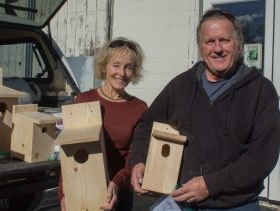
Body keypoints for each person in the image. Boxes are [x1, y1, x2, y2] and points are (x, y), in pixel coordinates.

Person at [130, 9, 280, 210]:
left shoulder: (260, 90)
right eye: (209, 41)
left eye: (224, 40)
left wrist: (211, 184)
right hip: (182, 202)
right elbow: (147, 123)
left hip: (235, 205)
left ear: (238, 44)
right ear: (200, 47)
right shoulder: (181, 86)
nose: (217, 48)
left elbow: (262, 157)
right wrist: (139, 160)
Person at [58, 37, 148, 211]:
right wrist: (64, 193)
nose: (121, 73)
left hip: (118, 193)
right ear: (104, 67)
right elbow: (68, 153)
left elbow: (135, 156)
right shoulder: (84, 100)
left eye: (128, 67)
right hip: (82, 189)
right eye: (116, 65)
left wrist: (116, 182)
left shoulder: (139, 108)